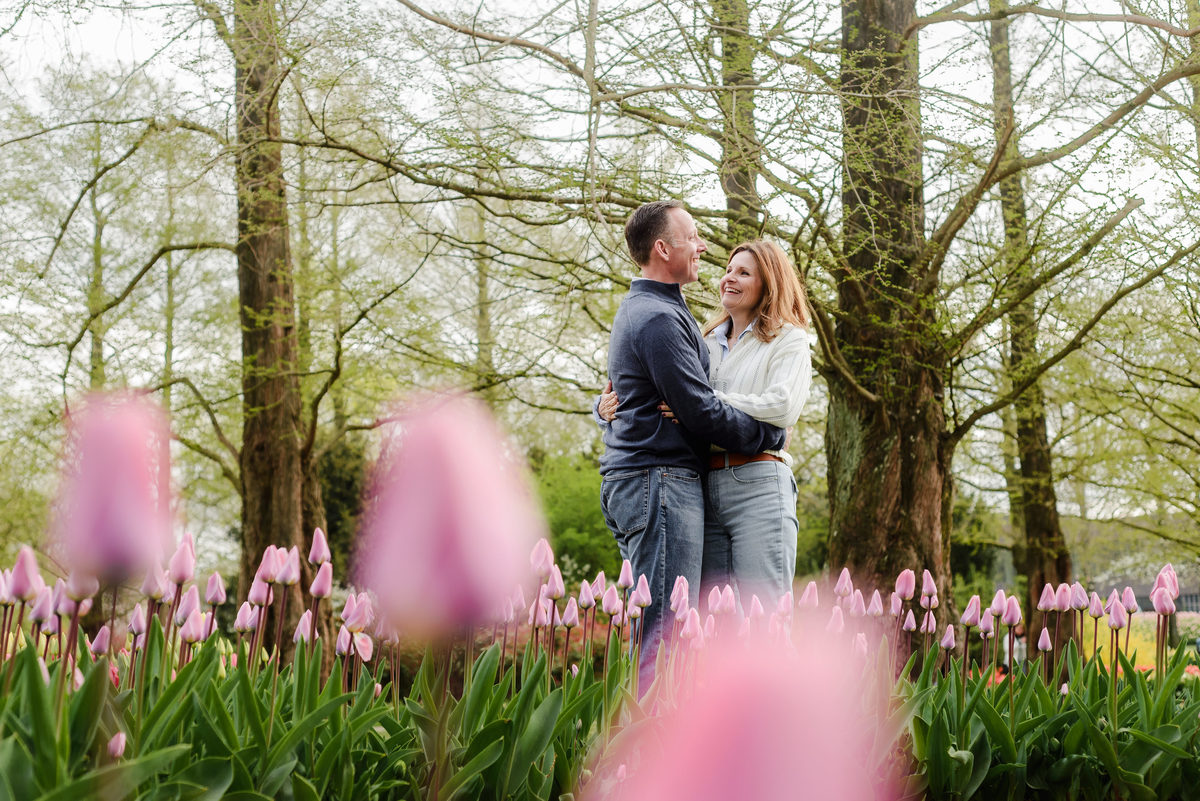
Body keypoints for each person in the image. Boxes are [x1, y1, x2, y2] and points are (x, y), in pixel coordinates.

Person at [599, 201, 786, 688]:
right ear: (663, 248)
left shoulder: (656, 310)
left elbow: (630, 397)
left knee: (669, 629)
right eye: (693, 236)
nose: (703, 245)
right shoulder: (658, 317)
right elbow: (701, 410)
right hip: (659, 481)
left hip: (647, 479)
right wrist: (768, 434)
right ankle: (648, 753)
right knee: (665, 634)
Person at [601, 239, 811, 607]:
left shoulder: (788, 339)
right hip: (703, 487)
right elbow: (652, 384)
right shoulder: (704, 340)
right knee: (712, 624)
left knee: (764, 615)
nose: (729, 278)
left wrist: (705, 401)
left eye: (744, 273)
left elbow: (783, 406)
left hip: (759, 484)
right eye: (729, 270)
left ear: (770, 284)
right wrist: (600, 406)